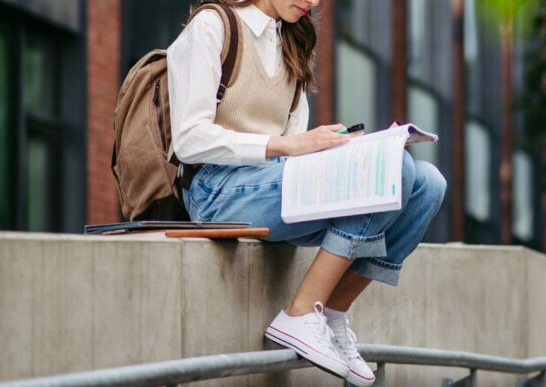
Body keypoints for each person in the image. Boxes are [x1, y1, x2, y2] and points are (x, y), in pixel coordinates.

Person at [167, 0, 446, 385]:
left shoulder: (293, 38)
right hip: (217, 190)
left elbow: (295, 147)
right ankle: (299, 313)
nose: (313, 2)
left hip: (273, 184)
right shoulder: (212, 26)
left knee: (428, 184)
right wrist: (287, 146)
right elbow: (189, 139)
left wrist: (332, 147)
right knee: (389, 171)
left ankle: (331, 314)